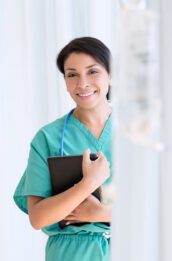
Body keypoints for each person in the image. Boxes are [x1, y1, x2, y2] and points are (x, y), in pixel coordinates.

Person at [13, 37, 113, 261]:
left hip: (131, 247)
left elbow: (162, 209)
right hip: (71, 254)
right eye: (72, 74)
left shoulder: (135, 133)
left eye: (93, 71)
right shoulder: (48, 138)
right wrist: (87, 184)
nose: (82, 83)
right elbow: (38, 218)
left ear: (111, 75)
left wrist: (102, 213)